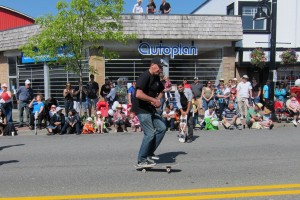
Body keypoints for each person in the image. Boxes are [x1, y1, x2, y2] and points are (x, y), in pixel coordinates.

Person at [131, 57, 167, 167]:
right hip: (142, 109)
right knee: (150, 133)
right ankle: (141, 160)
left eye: (162, 68)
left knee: (162, 128)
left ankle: (149, 153)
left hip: (150, 109)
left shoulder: (156, 78)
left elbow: (162, 90)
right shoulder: (144, 76)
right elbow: (138, 94)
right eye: (159, 67)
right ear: (153, 65)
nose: (160, 69)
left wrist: (158, 99)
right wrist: (153, 100)